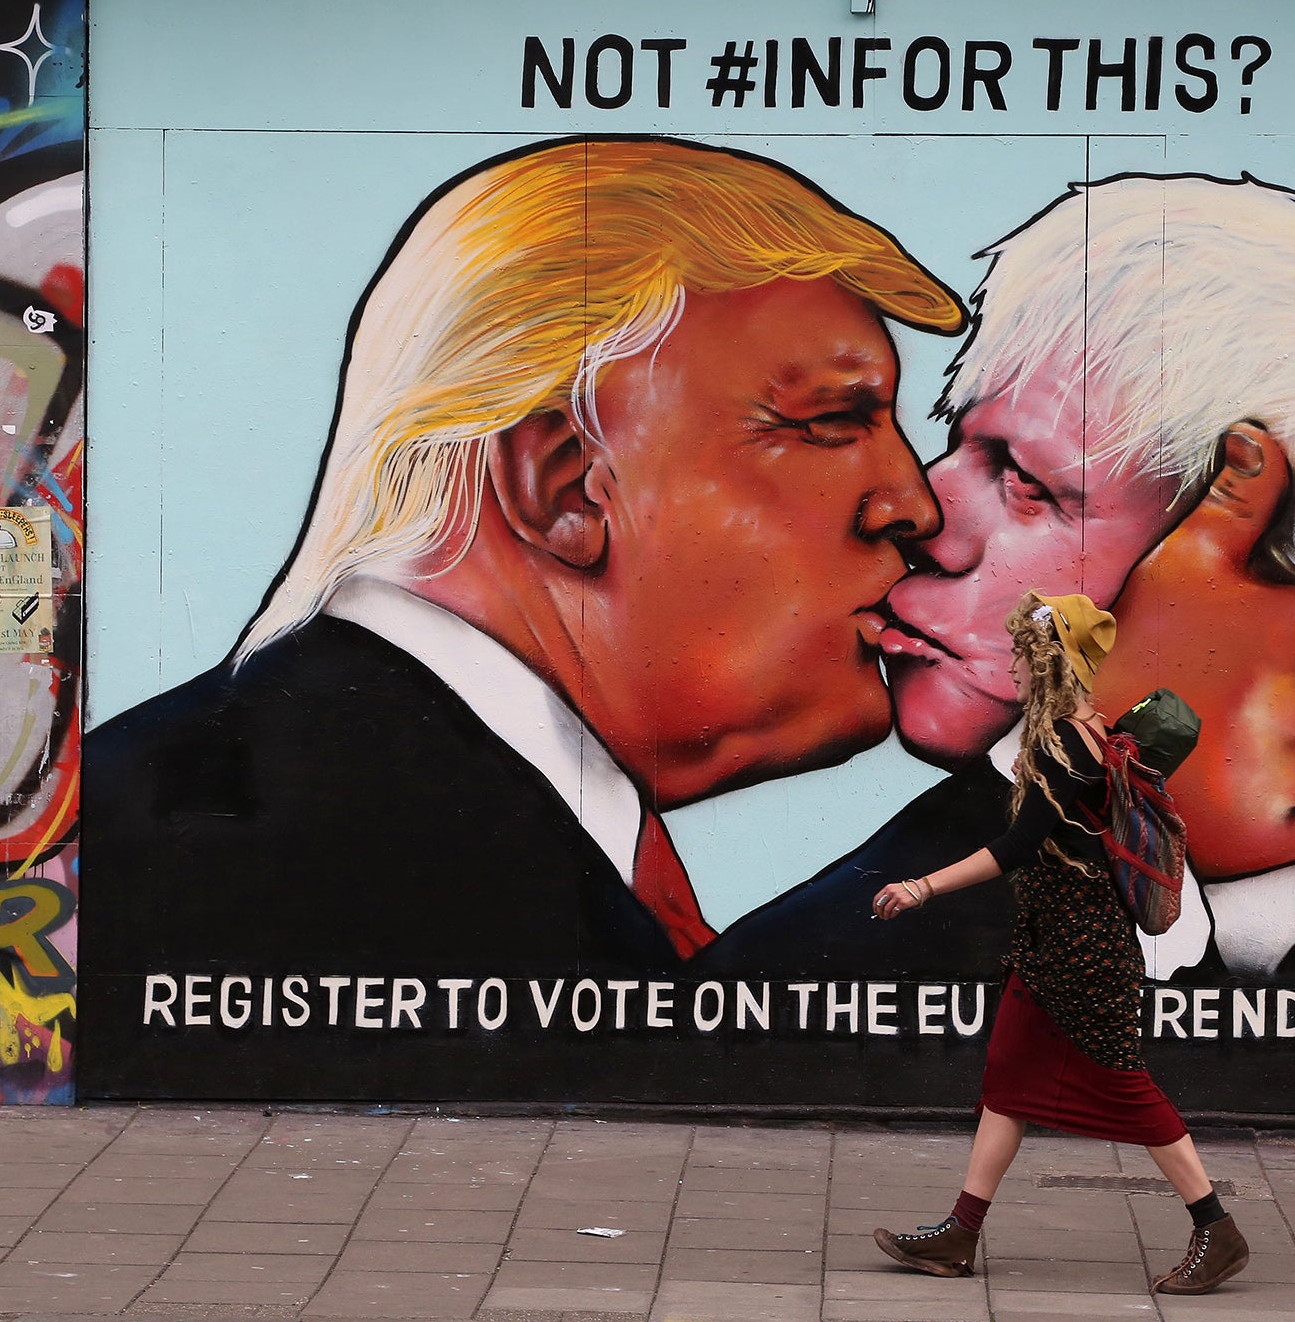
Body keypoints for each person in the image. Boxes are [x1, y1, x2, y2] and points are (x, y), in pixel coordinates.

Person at [82, 137, 970, 1061]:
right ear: (564, 485)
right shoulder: (293, 852)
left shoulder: (249, 786)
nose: (914, 504)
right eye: (831, 424)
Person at [706, 171, 1295, 999]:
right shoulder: (805, 953)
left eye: (1030, 485)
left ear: (1284, 569)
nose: (922, 510)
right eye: (960, 443)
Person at [868, 591, 1245, 1295]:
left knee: (1125, 1088)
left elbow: (1016, 846)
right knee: (1007, 1079)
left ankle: (1217, 1229)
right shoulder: (1087, 733)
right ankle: (960, 1232)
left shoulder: (1065, 742)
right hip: (1053, 944)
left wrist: (921, 887)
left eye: (1021, 653)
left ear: (1047, 665)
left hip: (1082, 951)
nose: (1010, 663)